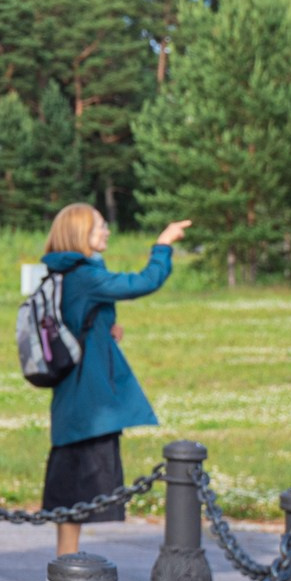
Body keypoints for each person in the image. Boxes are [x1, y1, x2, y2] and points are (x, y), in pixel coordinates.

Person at [41, 204, 191, 551]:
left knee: (70, 491)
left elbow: (77, 322)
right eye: (99, 228)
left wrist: (105, 330)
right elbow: (143, 282)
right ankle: (67, 571)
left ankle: (66, 566)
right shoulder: (86, 276)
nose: (106, 231)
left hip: (75, 398)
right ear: (81, 235)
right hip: (88, 402)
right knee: (74, 491)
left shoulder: (66, 273)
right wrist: (164, 244)